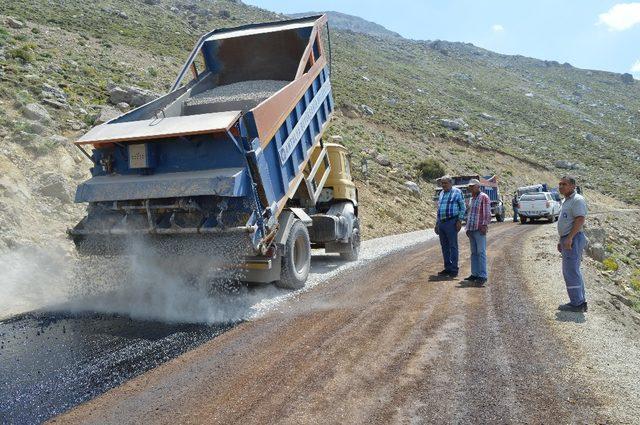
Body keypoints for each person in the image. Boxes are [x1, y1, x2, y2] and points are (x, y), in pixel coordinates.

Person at [556, 175, 588, 312]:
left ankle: (577, 303)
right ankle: (580, 300)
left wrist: (569, 238)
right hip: (568, 238)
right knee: (573, 270)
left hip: (573, 239)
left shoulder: (577, 200)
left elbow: (580, 219)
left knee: (570, 271)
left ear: (573, 186)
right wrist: (561, 240)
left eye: (564, 184)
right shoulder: (566, 200)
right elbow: (566, 222)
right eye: (560, 184)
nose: (561, 186)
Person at [434, 175, 466, 278]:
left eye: (445, 183)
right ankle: (447, 267)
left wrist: (459, 221)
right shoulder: (442, 193)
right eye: (442, 183)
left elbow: (463, 207)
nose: (443, 185)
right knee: (444, 247)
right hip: (442, 223)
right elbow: (439, 209)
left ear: (450, 183)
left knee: (453, 246)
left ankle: (454, 269)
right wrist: (437, 223)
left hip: (452, 222)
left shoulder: (457, 192)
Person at [465, 179, 491, 286]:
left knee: (481, 252)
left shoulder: (483, 197)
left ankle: (482, 275)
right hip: (471, 229)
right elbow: (470, 214)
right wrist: (467, 228)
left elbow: (487, 213)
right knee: (473, 253)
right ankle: (474, 274)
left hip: (479, 229)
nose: (470, 188)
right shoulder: (472, 198)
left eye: (472, 186)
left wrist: (484, 225)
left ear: (478, 186)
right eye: (469, 186)